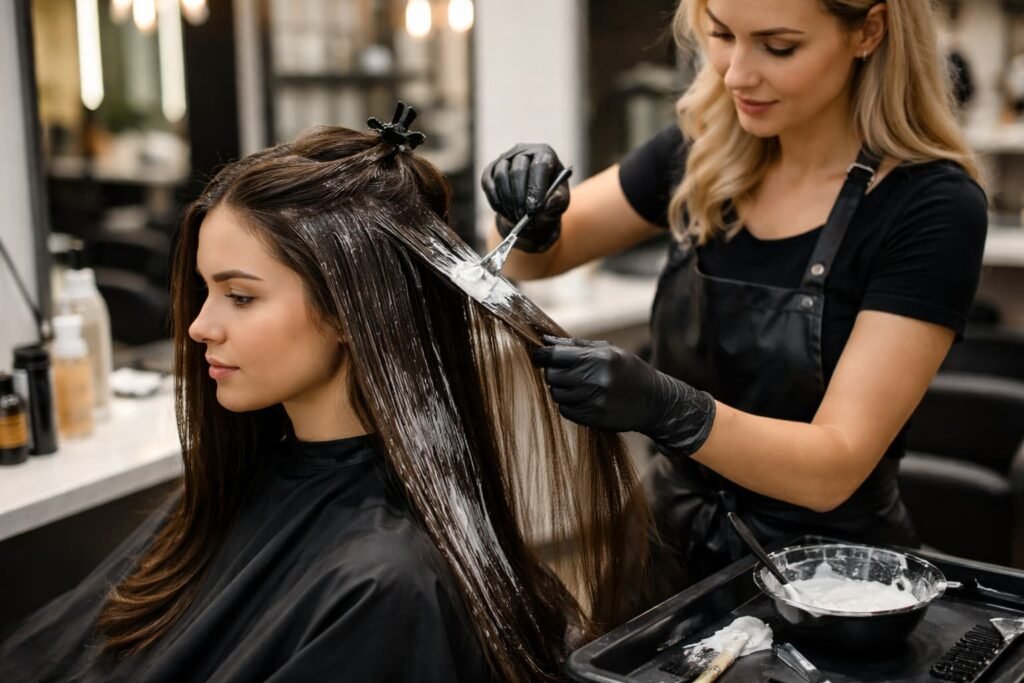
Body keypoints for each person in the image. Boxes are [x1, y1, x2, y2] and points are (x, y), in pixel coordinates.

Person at [1, 108, 649, 682]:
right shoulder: (251, 477)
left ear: (348, 310)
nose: (200, 325)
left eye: (241, 295)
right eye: (206, 290)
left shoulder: (384, 582)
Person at [482, 0, 988, 595]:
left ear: (868, 31)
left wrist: (669, 409)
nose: (735, 74)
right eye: (721, 35)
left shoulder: (930, 206)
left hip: (829, 584)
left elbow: (834, 467)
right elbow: (525, 259)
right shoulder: (700, 153)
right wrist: (530, 218)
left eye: (778, 47)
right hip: (668, 558)